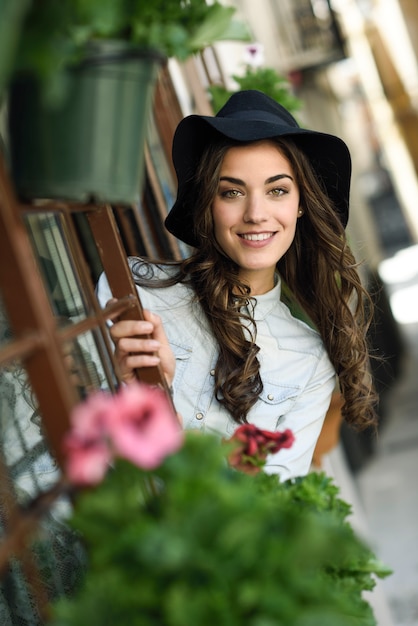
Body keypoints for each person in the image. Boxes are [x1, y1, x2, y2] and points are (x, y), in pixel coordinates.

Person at [96, 89, 378, 481]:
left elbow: (269, 508)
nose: (256, 214)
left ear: (300, 203)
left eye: (277, 190)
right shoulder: (134, 292)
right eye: (232, 192)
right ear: (208, 204)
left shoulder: (309, 364)